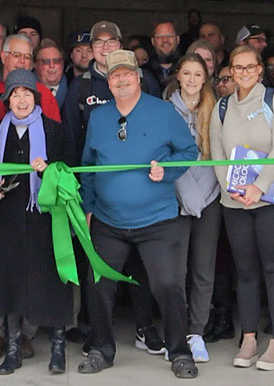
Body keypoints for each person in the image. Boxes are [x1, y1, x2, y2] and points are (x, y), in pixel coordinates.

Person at [77, 49, 200, 379]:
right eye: (114, 75)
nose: (121, 79)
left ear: (138, 77)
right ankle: (101, 347)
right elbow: (87, 167)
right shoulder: (100, 118)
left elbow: (189, 151)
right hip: (107, 220)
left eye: (126, 74)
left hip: (157, 220)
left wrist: (168, 171)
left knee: (169, 284)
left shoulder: (163, 112)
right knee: (98, 284)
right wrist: (88, 208)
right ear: (109, 80)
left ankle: (179, 351)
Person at [0, 69, 76, 376]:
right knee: (10, 281)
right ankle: (14, 350)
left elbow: (70, 176)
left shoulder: (54, 130)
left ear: (36, 98)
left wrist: (48, 171)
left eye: (26, 94)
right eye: (15, 94)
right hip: (7, 215)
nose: (21, 100)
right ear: (7, 100)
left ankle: (58, 350)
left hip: (46, 215)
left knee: (53, 281)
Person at [208, 45, 274, 371]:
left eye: (250, 67)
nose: (244, 73)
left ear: (259, 70)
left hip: (273, 199)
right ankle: (248, 338)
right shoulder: (221, 107)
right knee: (244, 274)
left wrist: (258, 186)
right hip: (235, 202)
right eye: (237, 68)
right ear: (230, 71)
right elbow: (217, 152)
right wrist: (233, 190)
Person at [163, 53, 221, 363]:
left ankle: (196, 332)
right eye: (187, 73)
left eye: (198, 74)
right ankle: (176, 331)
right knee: (175, 271)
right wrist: (187, 194)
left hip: (210, 196)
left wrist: (202, 193)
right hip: (175, 196)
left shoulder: (217, 108)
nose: (192, 79)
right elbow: (165, 156)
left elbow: (221, 154)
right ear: (179, 76)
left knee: (203, 268)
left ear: (205, 77)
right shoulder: (164, 109)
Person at [63, 21, 164, 157]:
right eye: (99, 42)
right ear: (92, 48)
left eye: (112, 41)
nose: (106, 47)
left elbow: (160, 128)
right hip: (96, 168)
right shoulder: (79, 86)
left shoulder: (145, 80)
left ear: (121, 46)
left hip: (140, 167)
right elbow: (71, 138)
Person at [0, 34, 61, 123]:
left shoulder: (43, 94)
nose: (22, 61)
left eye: (27, 57)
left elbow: (56, 134)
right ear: (3, 57)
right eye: (16, 55)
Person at [36, 40, 68, 105]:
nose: (52, 65)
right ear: (35, 65)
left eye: (57, 61)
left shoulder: (74, 89)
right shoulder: (26, 91)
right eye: (45, 61)